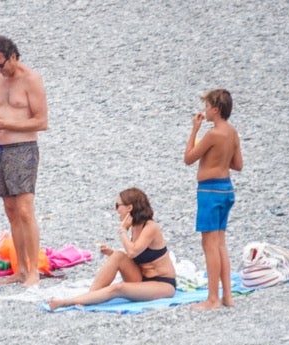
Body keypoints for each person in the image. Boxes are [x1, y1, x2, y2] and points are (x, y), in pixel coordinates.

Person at [0, 34, 48, 287]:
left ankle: (33, 271)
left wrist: (7, 123)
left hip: (23, 148)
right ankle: (20, 268)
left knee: (24, 209)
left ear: (13, 57)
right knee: (10, 210)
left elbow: (41, 121)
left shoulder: (31, 79)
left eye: (1, 64)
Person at [46, 188, 177, 310]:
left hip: (162, 283)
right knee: (118, 255)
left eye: (117, 206)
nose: (116, 210)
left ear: (129, 207)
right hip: (142, 278)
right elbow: (136, 256)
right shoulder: (135, 226)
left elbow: (132, 252)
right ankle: (90, 296)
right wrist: (112, 253)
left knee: (118, 288)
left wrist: (122, 231)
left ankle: (67, 302)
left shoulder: (150, 227)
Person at [184, 88, 243, 310]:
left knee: (209, 244)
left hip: (209, 191)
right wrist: (220, 159)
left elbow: (189, 158)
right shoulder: (232, 133)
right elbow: (238, 165)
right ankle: (227, 295)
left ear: (216, 110)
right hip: (226, 189)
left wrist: (194, 130)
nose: (205, 111)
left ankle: (212, 298)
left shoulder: (212, 134)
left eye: (207, 107)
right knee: (220, 243)